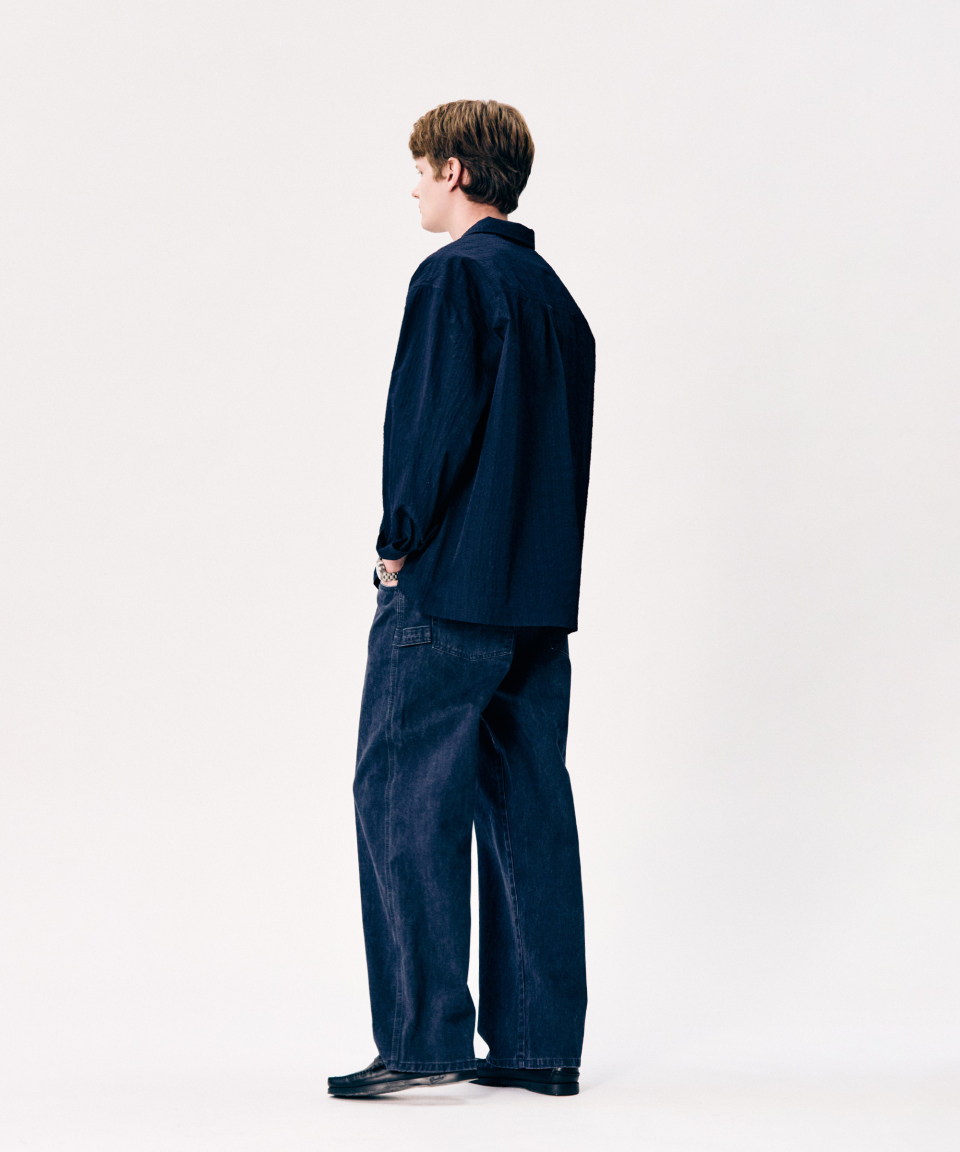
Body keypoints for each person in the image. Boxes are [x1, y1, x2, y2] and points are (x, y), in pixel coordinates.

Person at [328, 99, 595, 1099]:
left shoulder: (452, 278)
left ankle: (421, 1039)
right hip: (534, 601)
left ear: (456, 171)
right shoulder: (557, 300)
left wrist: (396, 545)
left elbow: (430, 428)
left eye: (420, 168)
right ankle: (538, 1046)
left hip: (447, 592)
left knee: (401, 798)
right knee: (528, 808)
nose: (413, 187)